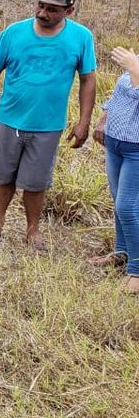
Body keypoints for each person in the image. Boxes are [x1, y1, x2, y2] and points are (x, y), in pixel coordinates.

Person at [0, 0, 97, 250]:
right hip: (10, 118)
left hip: (48, 124)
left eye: (52, 9)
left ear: (68, 11)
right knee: (4, 175)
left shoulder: (81, 37)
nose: (43, 13)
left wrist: (84, 122)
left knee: (36, 181)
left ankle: (32, 230)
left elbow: (87, 80)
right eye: (40, 5)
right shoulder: (14, 33)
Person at [90, 46, 139, 295]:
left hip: (136, 149)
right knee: (117, 198)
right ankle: (121, 253)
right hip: (115, 143)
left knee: (127, 206)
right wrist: (103, 119)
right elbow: (120, 94)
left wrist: (135, 70)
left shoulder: (135, 64)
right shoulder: (135, 60)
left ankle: (136, 270)